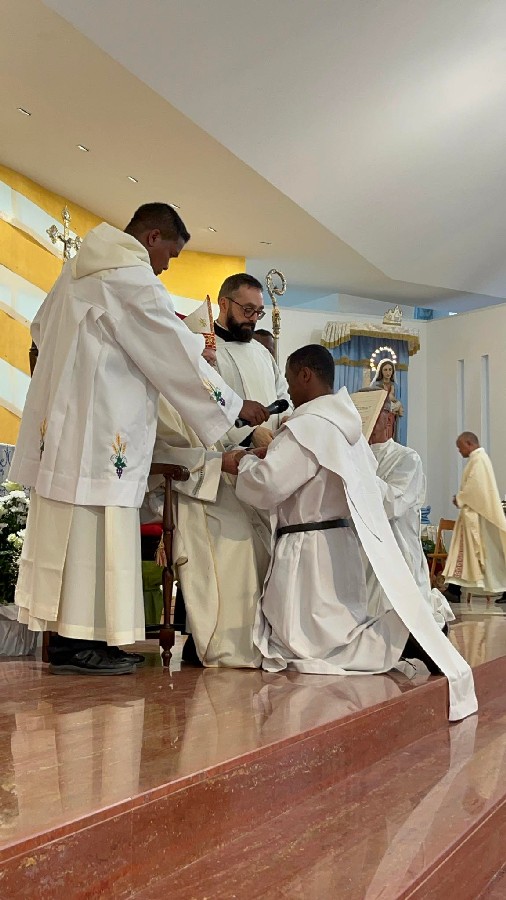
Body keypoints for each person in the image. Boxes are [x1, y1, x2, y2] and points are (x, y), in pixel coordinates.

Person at [10, 203, 269, 676]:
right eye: (169, 254)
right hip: (102, 432)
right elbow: (172, 351)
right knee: (95, 537)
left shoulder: (75, 272)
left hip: (69, 432)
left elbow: (40, 331)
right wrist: (234, 405)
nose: (166, 266)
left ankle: (78, 642)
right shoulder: (131, 278)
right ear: (152, 238)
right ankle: (82, 645)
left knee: (75, 537)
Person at [235, 345, 477, 722]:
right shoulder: (348, 429)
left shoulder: (308, 427)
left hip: (307, 548)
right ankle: (409, 632)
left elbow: (268, 485)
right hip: (339, 544)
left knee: (309, 643)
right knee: (332, 630)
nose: (288, 388)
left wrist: (244, 463)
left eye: (289, 378)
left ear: (305, 375)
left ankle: (404, 636)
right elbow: (370, 491)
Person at [142, 393, 271, 667]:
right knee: (237, 539)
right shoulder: (156, 396)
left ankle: (253, 638)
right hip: (177, 492)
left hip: (211, 485)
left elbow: (215, 444)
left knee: (264, 533)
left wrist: (241, 455)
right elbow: (153, 455)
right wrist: (218, 463)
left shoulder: (193, 394)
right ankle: (221, 643)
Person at [367, 406, 455, 628]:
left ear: (389, 420)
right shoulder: (353, 457)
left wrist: (358, 467)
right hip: (362, 555)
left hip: (397, 551)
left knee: (404, 623)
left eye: (371, 414)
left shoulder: (407, 458)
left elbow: (391, 504)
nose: (364, 421)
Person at [214, 274, 290, 449]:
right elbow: (205, 405)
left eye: (259, 311)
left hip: (273, 448)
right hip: (233, 454)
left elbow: (282, 393)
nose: (254, 318)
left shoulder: (262, 352)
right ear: (224, 304)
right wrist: (249, 435)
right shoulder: (205, 351)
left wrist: (287, 418)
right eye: (248, 309)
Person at [443, 432, 506, 600]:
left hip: (480, 518)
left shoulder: (479, 460)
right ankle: (454, 590)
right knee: (464, 554)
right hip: (474, 515)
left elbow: (476, 488)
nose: (459, 451)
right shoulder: (477, 459)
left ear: (469, 443)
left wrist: (460, 498)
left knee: (492, 554)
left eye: (460, 447)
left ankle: (454, 590)